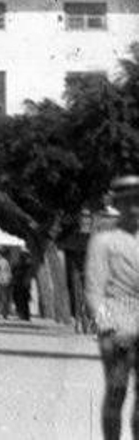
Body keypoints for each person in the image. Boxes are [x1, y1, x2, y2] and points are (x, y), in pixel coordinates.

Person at [87, 175, 139, 440]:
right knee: (117, 391)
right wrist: (108, 327)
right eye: (128, 202)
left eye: (138, 201)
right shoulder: (103, 241)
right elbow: (95, 290)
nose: (134, 208)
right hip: (117, 321)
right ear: (118, 204)